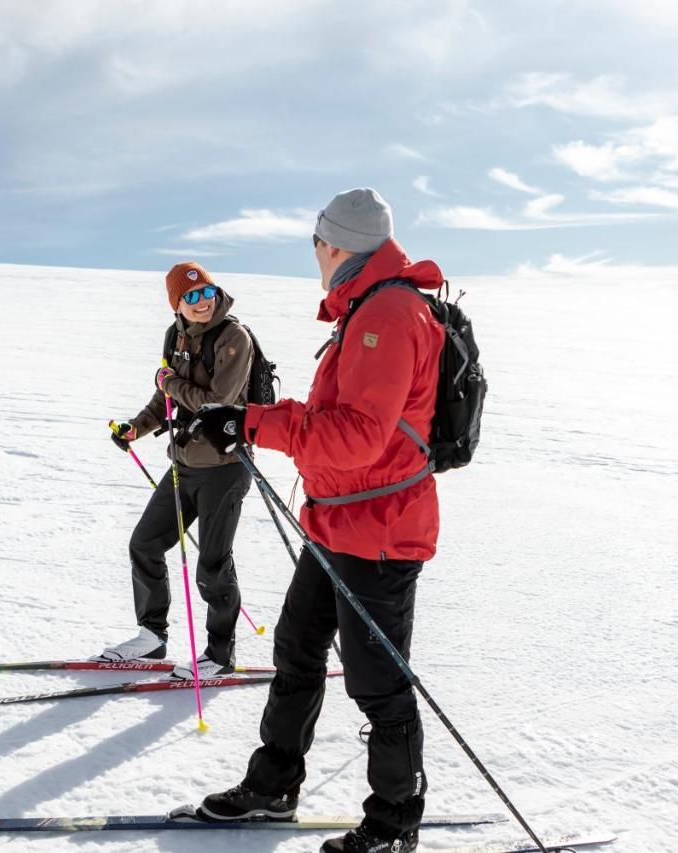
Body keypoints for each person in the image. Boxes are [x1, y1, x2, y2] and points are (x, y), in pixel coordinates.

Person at [187, 188, 445, 852]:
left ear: (336, 246)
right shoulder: (367, 309)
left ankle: (394, 822)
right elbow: (342, 415)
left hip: (380, 530)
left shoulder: (387, 314)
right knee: (297, 649)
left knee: (378, 681)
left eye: (316, 244)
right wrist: (246, 418)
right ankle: (273, 786)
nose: (315, 257)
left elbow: (357, 436)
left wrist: (250, 422)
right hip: (339, 523)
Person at [101, 262, 255, 680]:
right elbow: (164, 399)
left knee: (212, 563)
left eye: (206, 292)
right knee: (145, 544)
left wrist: (169, 383)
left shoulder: (233, 338)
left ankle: (220, 655)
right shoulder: (176, 336)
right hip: (184, 466)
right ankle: (152, 637)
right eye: (190, 297)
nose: (202, 302)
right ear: (177, 304)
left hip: (225, 468)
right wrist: (136, 428)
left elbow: (217, 400)